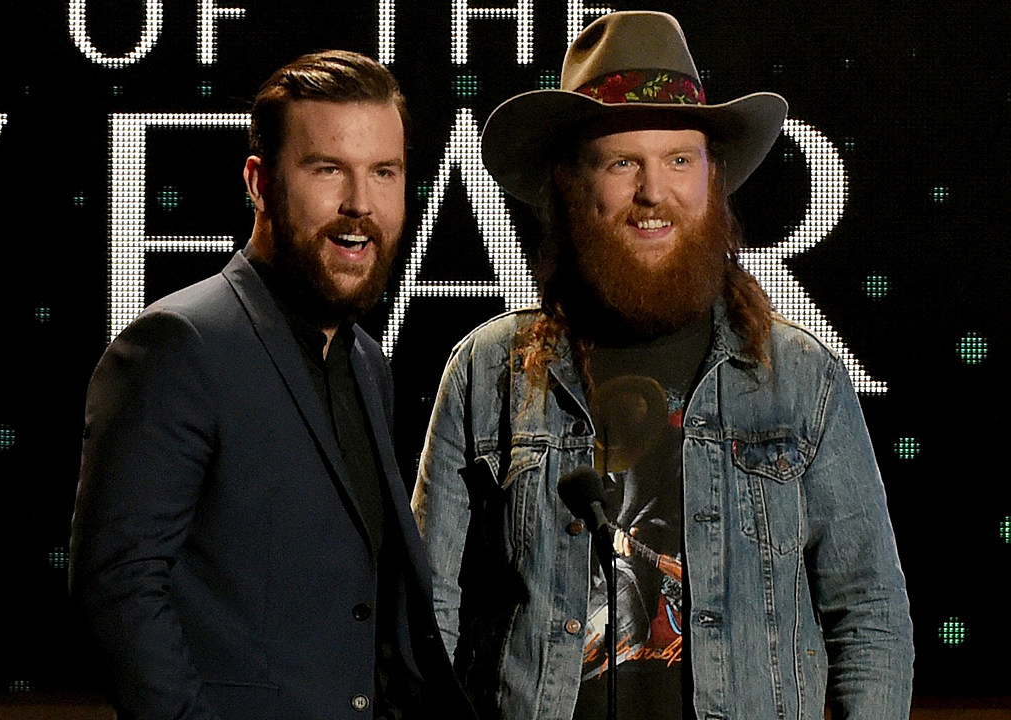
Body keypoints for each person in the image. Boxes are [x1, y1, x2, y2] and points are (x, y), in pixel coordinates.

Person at [412, 11, 912, 720]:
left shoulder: (802, 379)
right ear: (570, 185)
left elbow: (870, 616)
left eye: (680, 160)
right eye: (624, 163)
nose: (655, 193)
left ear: (713, 179)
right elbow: (428, 614)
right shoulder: (488, 370)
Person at [70, 50, 473, 720]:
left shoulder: (367, 364)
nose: (360, 204)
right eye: (327, 171)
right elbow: (117, 590)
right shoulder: (178, 344)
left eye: (384, 172)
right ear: (259, 182)